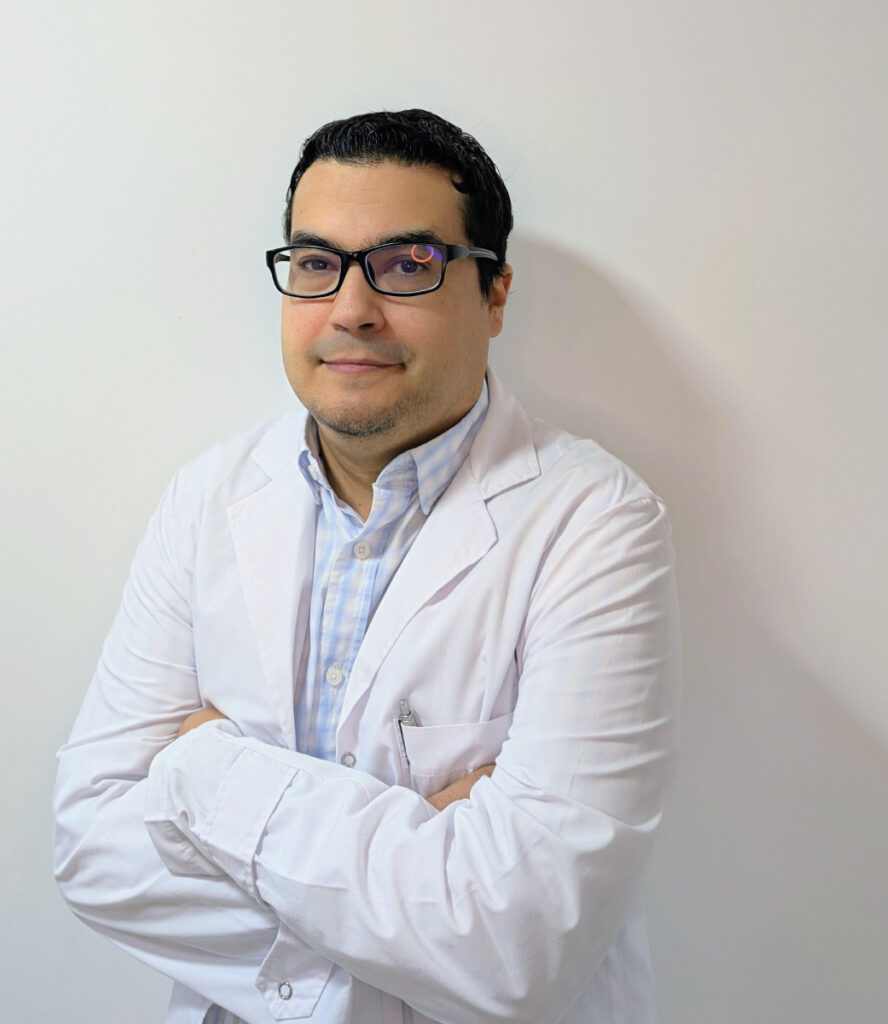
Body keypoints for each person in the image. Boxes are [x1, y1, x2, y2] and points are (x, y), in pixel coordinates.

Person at [52, 109, 680, 1024]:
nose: (351, 308)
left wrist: (204, 769)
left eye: (407, 263)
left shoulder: (596, 524)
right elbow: (92, 851)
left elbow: (517, 948)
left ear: (495, 294)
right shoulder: (208, 496)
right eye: (317, 264)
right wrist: (427, 872)